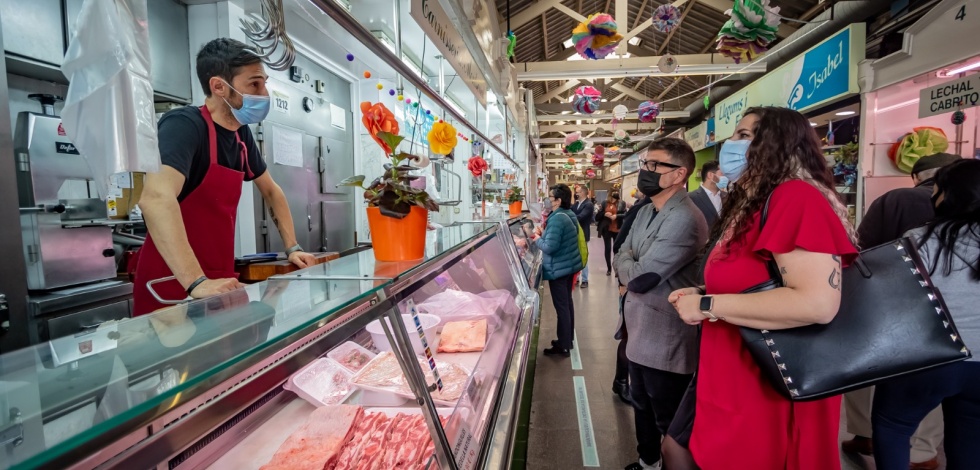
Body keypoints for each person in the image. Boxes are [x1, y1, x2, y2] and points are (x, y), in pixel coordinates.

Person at [669, 106, 858, 470]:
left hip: (771, 378)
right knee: (681, 450)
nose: (731, 145)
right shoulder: (750, 204)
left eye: (744, 136)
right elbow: (757, 279)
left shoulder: (795, 198)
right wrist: (704, 291)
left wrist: (708, 304)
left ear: (777, 143)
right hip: (734, 369)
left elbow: (817, 302)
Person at [134, 38, 315, 315]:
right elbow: (156, 198)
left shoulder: (241, 135)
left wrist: (293, 247)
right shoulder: (184, 125)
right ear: (219, 86)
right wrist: (196, 281)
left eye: (264, 83)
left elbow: (271, 190)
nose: (264, 93)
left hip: (220, 278)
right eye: (254, 84)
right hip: (173, 283)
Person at [842, 152, 961, 469]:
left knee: (873, 384)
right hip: (955, 328)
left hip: (891, 310)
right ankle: (922, 452)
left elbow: (859, 250)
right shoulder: (966, 216)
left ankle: (865, 434)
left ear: (918, 177)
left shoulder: (897, 200)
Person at [871, 158, 980, 470]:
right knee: (971, 441)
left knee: (893, 426)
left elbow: (890, 295)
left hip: (929, 357)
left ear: (948, 194)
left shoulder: (918, 239)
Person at [615, 138, 707, 470]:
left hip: (666, 336)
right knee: (640, 403)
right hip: (638, 330)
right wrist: (627, 265)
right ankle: (647, 461)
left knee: (666, 413)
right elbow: (620, 252)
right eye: (645, 164)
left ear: (679, 173)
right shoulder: (646, 211)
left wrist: (628, 269)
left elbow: (641, 278)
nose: (645, 171)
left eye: (655, 165)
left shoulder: (684, 217)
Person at [610, 193, 654, 405]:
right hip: (635, 284)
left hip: (659, 289)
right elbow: (620, 245)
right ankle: (621, 382)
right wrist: (623, 280)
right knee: (630, 335)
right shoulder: (644, 209)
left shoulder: (679, 211)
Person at [534, 184, 583, 357]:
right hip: (569, 266)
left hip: (559, 269)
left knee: (562, 307)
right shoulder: (568, 214)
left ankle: (563, 346)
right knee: (567, 305)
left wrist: (536, 238)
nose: (548, 200)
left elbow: (550, 247)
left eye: (550, 198)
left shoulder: (557, 218)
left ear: (558, 200)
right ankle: (566, 339)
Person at [596, 192, 627, 275]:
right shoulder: (604, 203)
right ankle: (609, 269)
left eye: (615, 198)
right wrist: (605, 214)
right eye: (612, 198)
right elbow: (598, 215)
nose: (613, 200)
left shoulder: (621, 203)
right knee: (608, 248)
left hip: (617, 228)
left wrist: (617, 216)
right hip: (606, 228)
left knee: (616, 249)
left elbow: (625, 214)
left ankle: (616, 268)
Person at [688, 161, 725, 229]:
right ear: (710, 175)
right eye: (723, 173)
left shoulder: (729, 197)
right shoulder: (691, 198)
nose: (726, 177)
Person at [572, 185, 594, 288]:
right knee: (576, 256)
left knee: (583, 256)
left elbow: (581, 216)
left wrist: (568, 217)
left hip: (583, 234)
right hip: (575, 233)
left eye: (579, 192)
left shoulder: (588, 204)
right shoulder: (577, 204)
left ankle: (585, 279)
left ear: (584, 193)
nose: (577, 193)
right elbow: (570, 210)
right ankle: (576, 278)